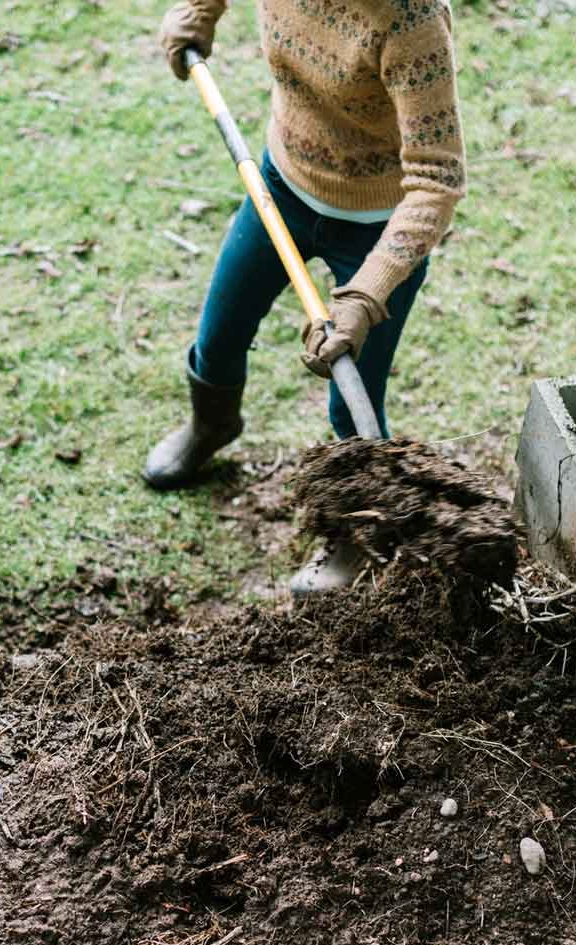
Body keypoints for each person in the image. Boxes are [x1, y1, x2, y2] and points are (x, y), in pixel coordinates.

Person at [145, 0, 467, 593]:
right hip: (280, 187)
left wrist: (367, 295)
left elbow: (438, 179)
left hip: (377, 227)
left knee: (354, 403)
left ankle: (356, 531)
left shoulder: (410, 21)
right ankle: (211, 426)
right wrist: (197, 9)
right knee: (218, 337)